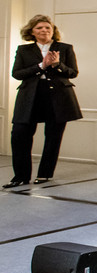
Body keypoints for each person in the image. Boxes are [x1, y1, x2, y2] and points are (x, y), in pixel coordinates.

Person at [5, 15, 82, 188]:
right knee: (19, 135)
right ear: (32, 31)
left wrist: (57, 65)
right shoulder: (23, 50)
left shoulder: (65, 48)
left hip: (58, 97)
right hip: (30, 97)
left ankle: (45, 174)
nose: (44, 30)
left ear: (53, 31)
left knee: (53, 137)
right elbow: (17, 74)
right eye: (39, 28)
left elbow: (73, 72)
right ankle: (21, 176)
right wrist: (42, 66)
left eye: (48, 27)